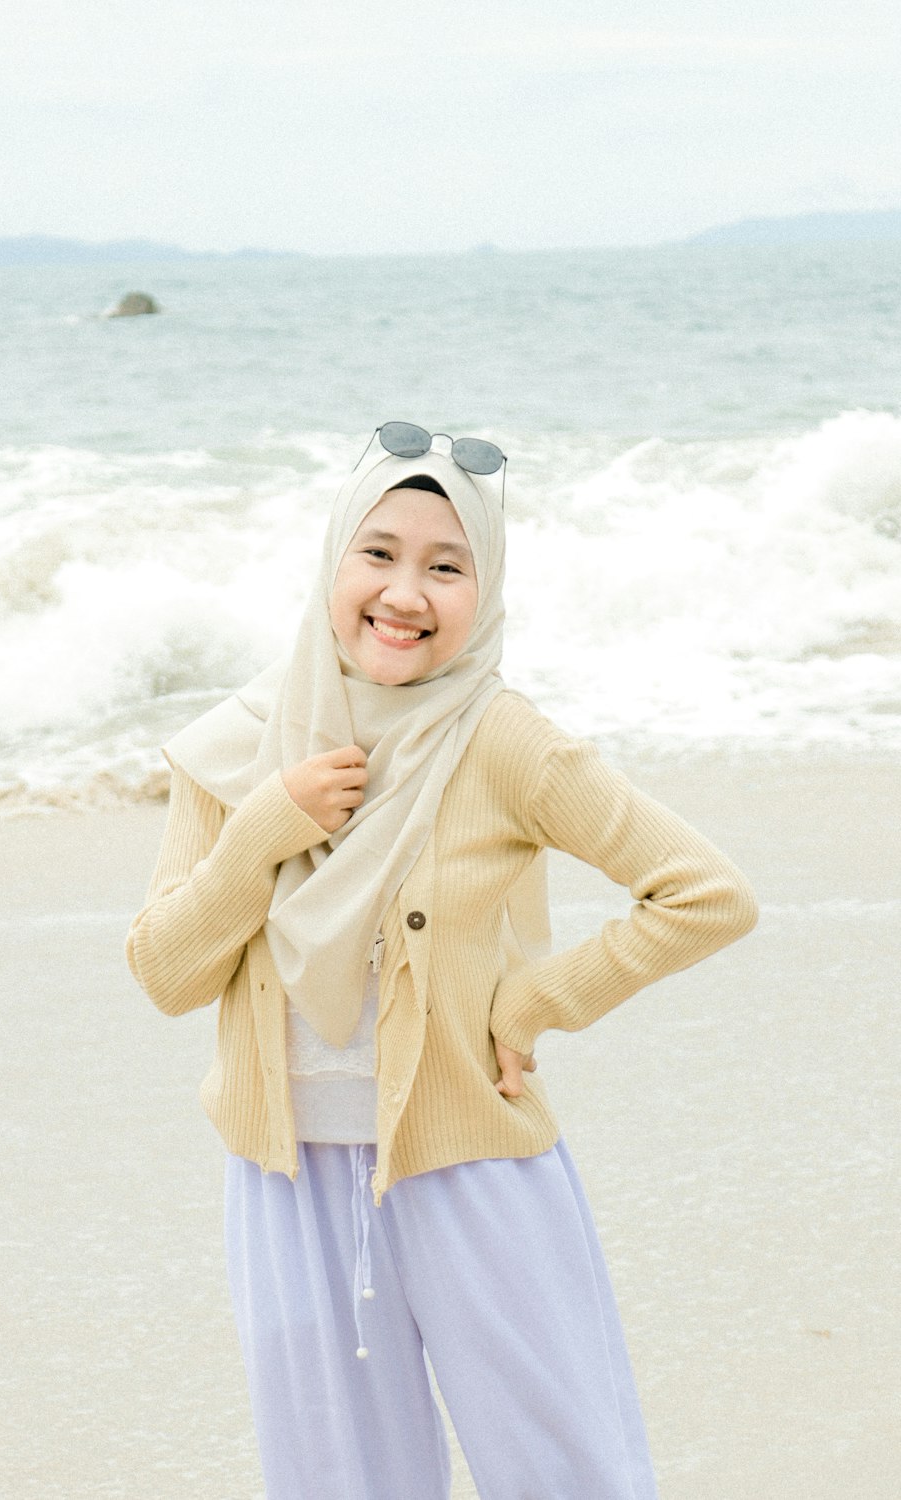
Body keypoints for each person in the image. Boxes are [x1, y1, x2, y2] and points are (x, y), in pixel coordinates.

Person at [126, 422, 758, 1500]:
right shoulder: (237, 748)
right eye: (377, 553)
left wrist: (536, 1001)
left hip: (469, 1169)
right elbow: (165, 973)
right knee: (336, 1483)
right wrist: (259, 832)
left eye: (446, 565)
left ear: (486, 587)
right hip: (285, 1181)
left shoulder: (500, 739)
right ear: (333, 561)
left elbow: (706, 894)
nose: (404, 592)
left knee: (565, 1470)